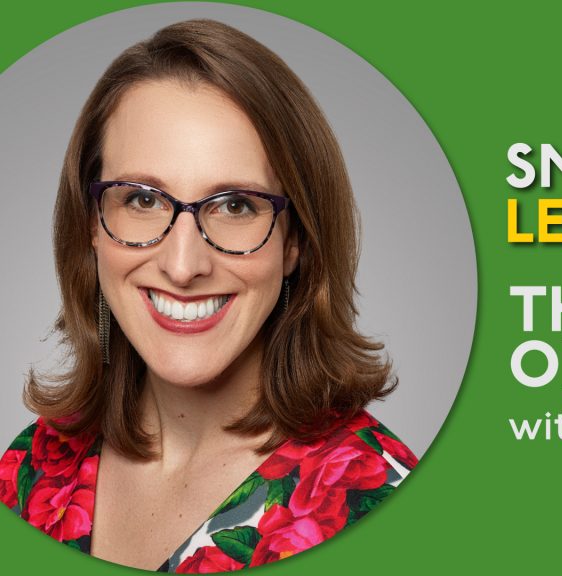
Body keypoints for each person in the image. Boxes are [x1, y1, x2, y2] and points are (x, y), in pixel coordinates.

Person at [0, 19, 418, 572]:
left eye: (235, 206)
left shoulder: (378, 503)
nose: (183, 265)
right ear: (92, 226)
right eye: (143, 200)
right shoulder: (36, 466)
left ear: (295, 240)